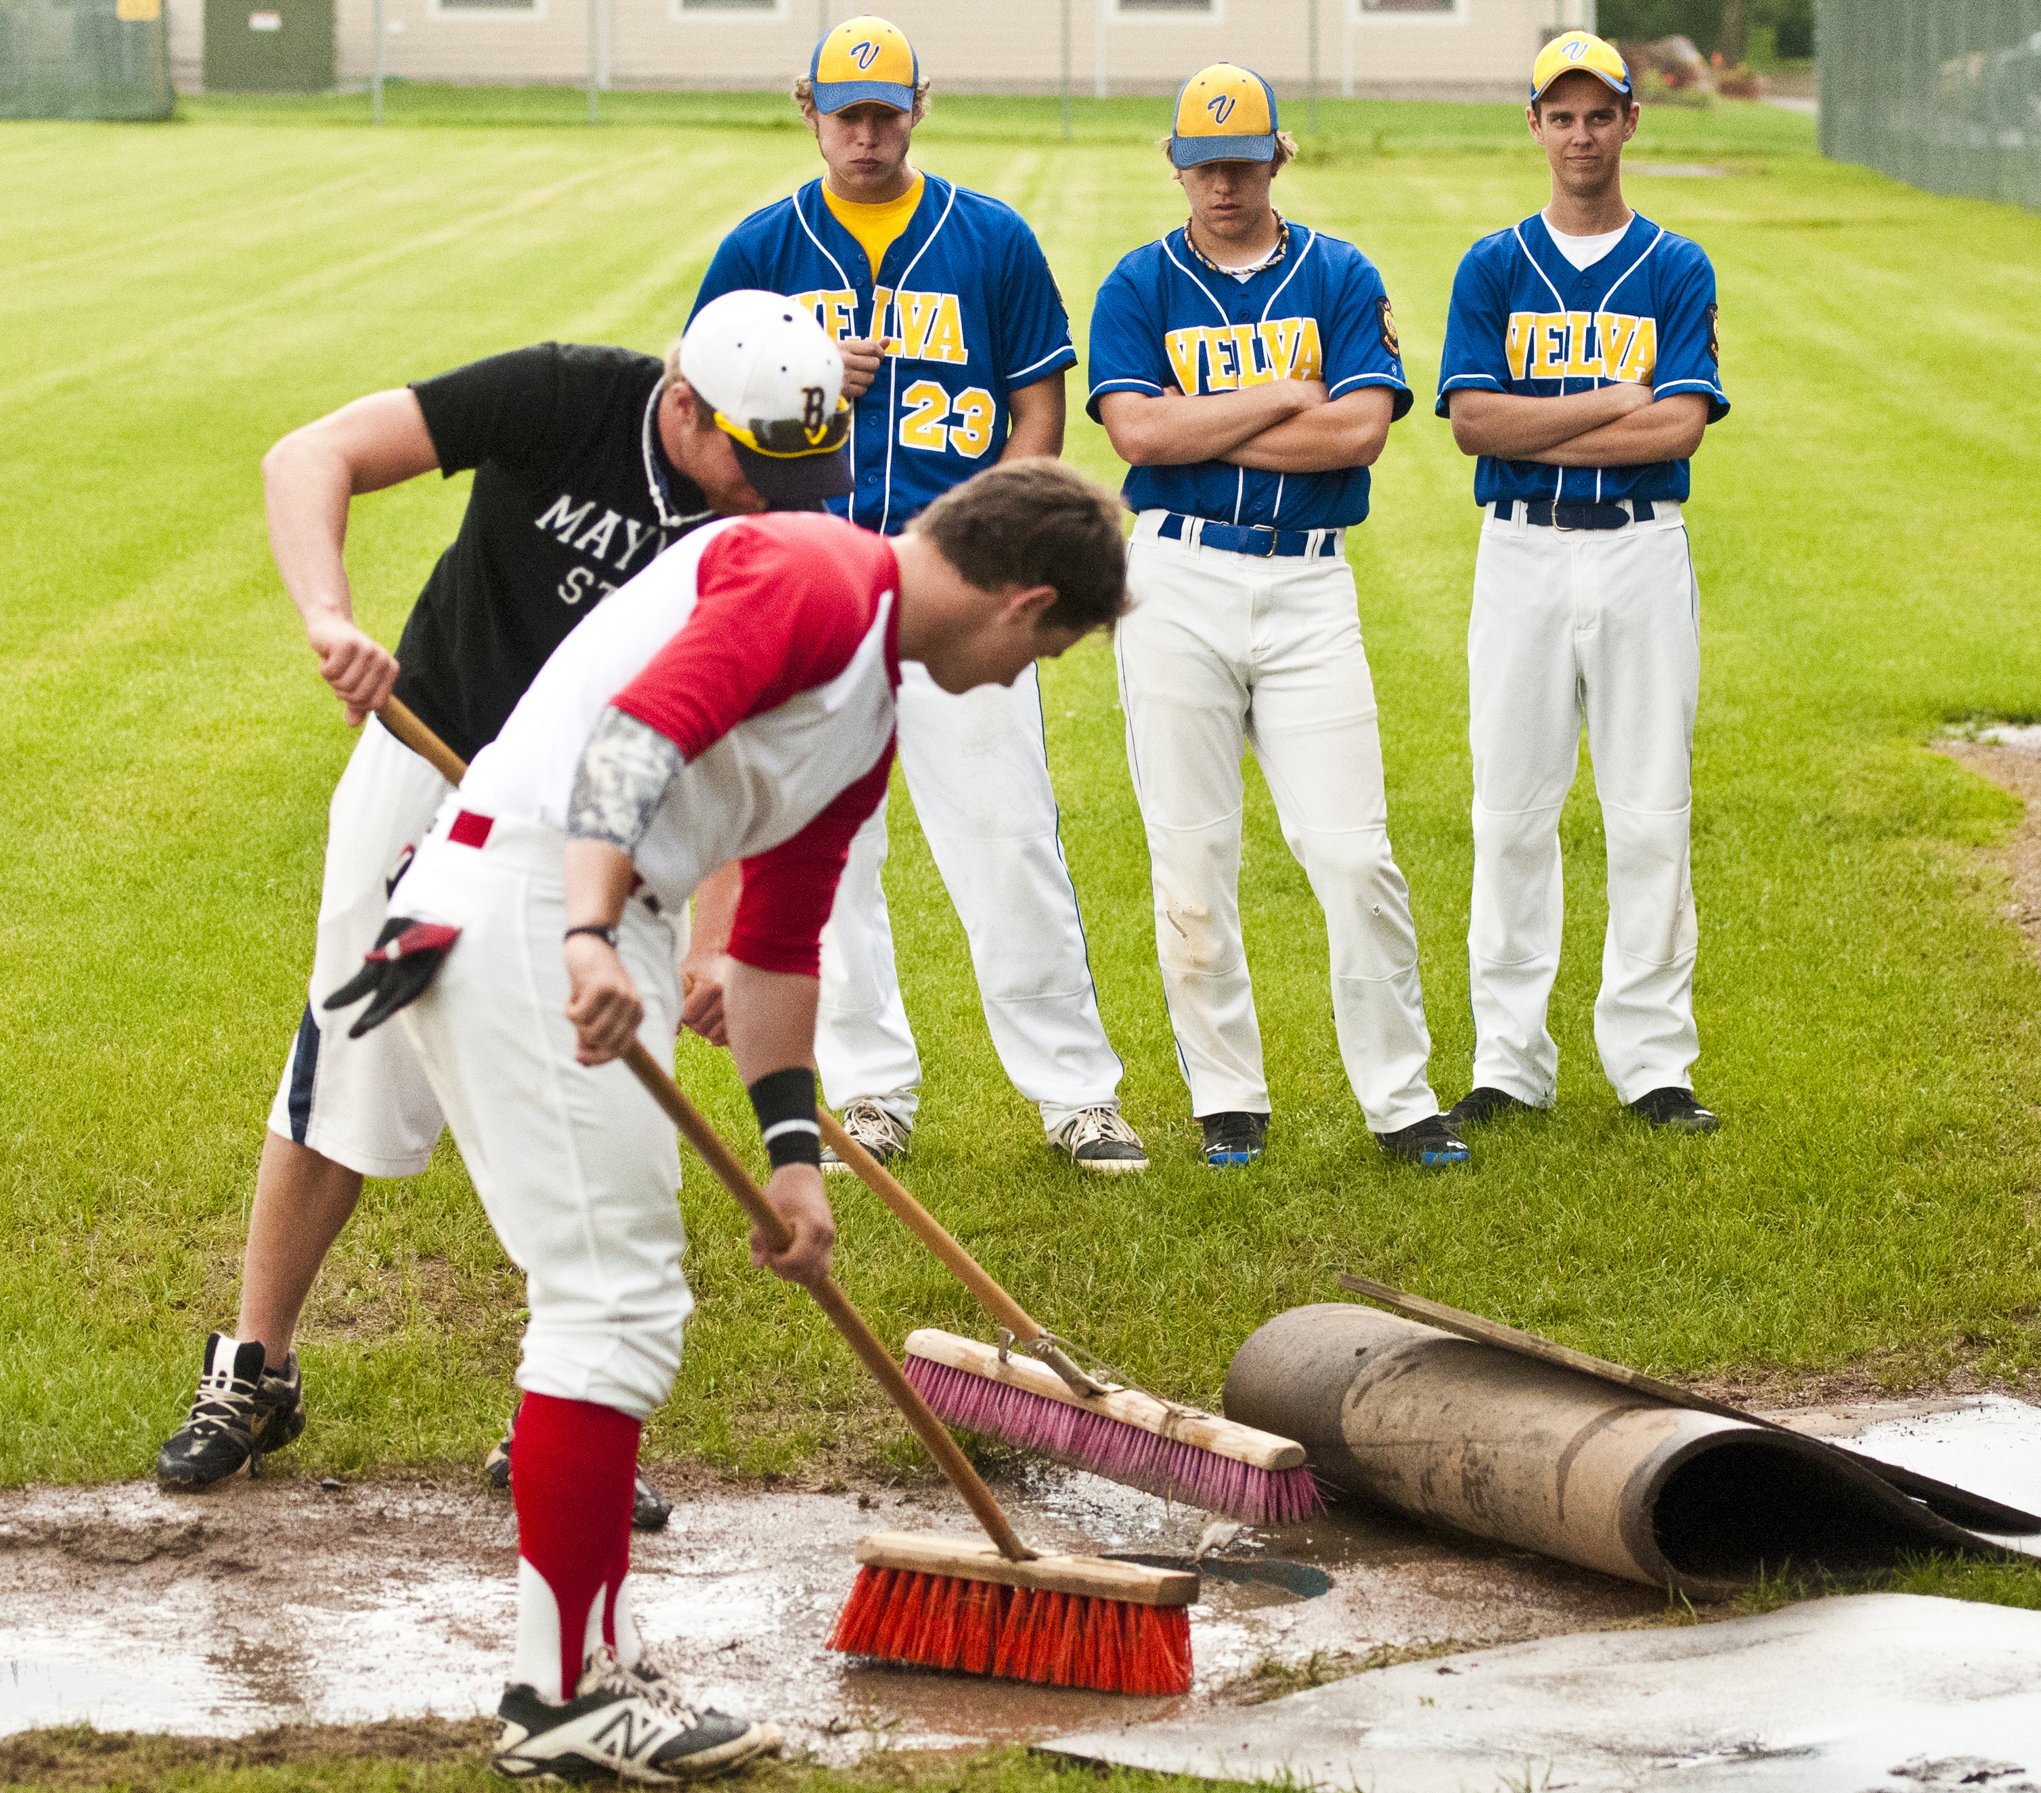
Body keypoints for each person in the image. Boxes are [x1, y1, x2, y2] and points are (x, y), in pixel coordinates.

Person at [323, 391, 1130, 1781]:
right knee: (610, 1297)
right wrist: (587, 928)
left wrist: (796, 1157)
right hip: (531, 900)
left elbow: (773, 944)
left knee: (607, 1291)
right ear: (1025, 605)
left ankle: (580, 1662)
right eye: (1050, 650)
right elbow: (639, 734)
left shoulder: (868, 706)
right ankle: (565, 1697)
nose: (1024, 678)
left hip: (560, 904)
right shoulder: (817, 571)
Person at [153, 296, 836, 1526]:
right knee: (349, 1048)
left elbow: (755, 736)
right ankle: (254, 1368)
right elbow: (311, 454)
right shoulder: (565, 395)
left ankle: (564, 1413)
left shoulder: (776, 512)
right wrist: (329, 616)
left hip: (616, 816)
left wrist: (720, 936)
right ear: (682, 405)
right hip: (437, 761)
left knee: (602, 1093)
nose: (775, 495)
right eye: (754, 458)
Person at [687, 13, 1147, 1176]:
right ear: (809, 112)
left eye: (886, 111)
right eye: (845, 112)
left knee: (1006, 835)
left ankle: (1074, 1091)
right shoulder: (763, 245)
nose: (866, 133)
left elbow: (1036, 402)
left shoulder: (987, 238)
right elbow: (703, 401)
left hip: (955, 587)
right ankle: (866, 1087)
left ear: (920, 106)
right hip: (814, 581)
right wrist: (795, 363)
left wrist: (1006, 542)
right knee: (825, 854)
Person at [1087, 63, 1468, 1172]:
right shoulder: (1138, 284)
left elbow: (1357, 436)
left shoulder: (1339, 273)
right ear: (1175, 162)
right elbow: (1137, 441)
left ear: (1275, 159)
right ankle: (1227, 1099)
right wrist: (1281, 396)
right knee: (1192, 856)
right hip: (1174, 582)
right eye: (1202, 164)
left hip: (1308, 583)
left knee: (1351, 854)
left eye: (1242, 163)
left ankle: (1400, 1098)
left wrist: (1201, 421)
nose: (1221, 184)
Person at [1435, 31, 1729, 1135]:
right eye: (1559, 115)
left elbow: (1682, 427)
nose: (1579, 134)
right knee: (1510, 809)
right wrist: (1614, 403)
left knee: (1649, 808)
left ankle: (1653, 1061)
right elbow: (1474, 423)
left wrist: (1548, 420)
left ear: (1628, 122)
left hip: (1641, 544)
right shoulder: (1494, 263)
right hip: (1519, 548)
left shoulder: (1673, 262)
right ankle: (1509, 1059)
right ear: (1534, 127)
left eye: (1597, 113)